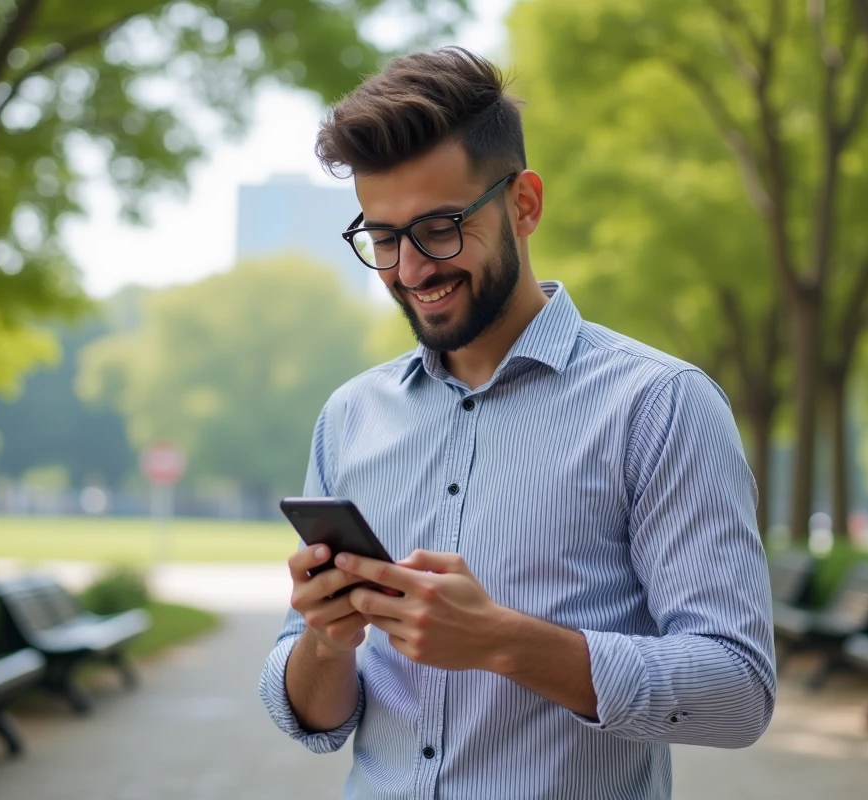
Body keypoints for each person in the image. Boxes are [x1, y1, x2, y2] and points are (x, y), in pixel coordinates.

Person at [258, 47, 775, 799]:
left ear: (524, 205)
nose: (411, 271)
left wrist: (502, 641)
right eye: (385, 238)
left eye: (440, 227)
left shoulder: (660, 405)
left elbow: (738, 691)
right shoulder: (349, 418)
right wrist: (327, 640)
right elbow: (316, 718)